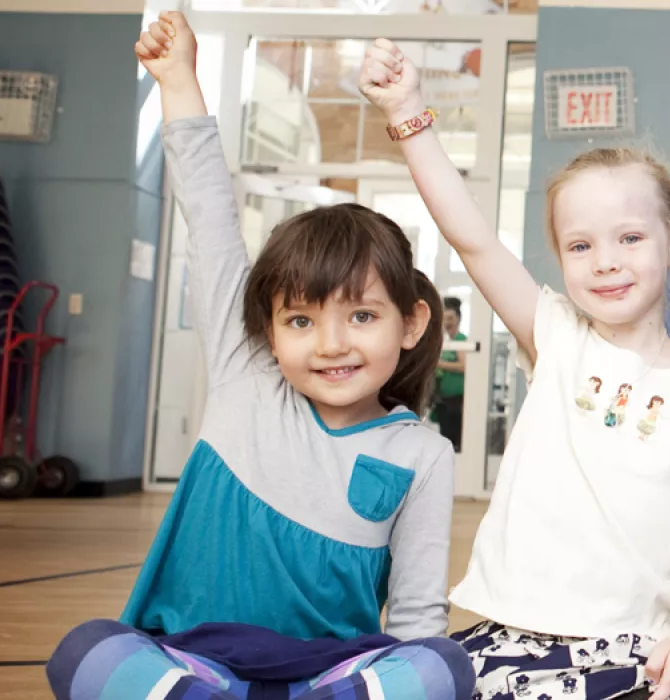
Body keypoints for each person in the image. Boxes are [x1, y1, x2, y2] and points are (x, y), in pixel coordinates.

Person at [47, 13, 470, 699]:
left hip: (333, 675)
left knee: (441, 665)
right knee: (85, 653)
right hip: (195, 663)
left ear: (412, 322)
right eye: (302, 319)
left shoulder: (421, 454)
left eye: (361, 316)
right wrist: (180, 80)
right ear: (268, 332)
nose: (332, 343)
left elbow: (418, 617)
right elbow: (210, 217)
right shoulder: (248, 378)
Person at [361, 38, 670, 700]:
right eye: (581, 245)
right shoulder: (558, 336)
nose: (606, 260)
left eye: (630, 237)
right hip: (513, 637)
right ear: (561, 256)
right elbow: (473, 238)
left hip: (635, 646)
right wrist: (407, 111)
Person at [435, 297, 465, 450]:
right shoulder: (446, 342)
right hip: (444, 401)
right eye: (445, 318)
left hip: (456, 402)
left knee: (455, 442)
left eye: (451, 318)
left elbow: (463, 366)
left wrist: (441, 364)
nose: (447, 322)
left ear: (458, 319)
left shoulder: (461, 340)